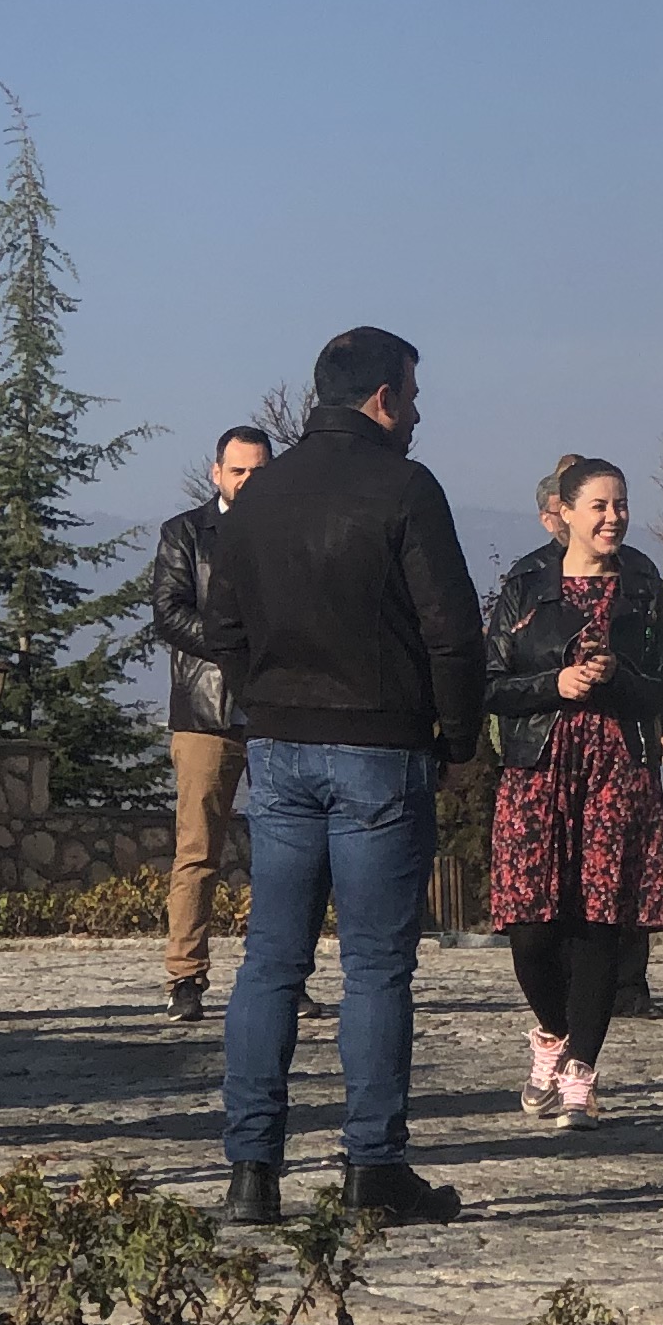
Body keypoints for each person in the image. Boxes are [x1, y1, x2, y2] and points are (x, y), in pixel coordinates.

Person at [205, 325, 483, 1232]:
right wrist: (456, 737)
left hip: (280, 745)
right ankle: (373, 1168)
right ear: (381, 399)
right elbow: (451, 629)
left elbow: (222, 626)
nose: (416, 411)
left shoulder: (258, 494)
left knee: (270, 963)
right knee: (374, 968)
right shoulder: (406, 487)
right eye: (410, 392)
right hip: (379, 746)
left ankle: (252, 1173)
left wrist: (266, 702)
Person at [482, 454, 663, 1127]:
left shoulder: (644, 588)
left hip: (616, 769)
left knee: (602, 919)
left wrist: (619, 679)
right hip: (538, 768)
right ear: (564, 512)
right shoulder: (524, 585)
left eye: (621, 504)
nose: (613, 517)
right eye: (599, 505)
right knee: (531, 927)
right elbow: (487, 683)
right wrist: (555, 685)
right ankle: (552, 1032)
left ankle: (581, 1075)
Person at [149, 426, 268, 1024]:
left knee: (286, 852)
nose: (248, 481)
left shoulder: (290, 531)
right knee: (198, 850)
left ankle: (280, 974)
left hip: (278, 710)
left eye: (258, 470)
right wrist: (233, 649)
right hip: (207, 712)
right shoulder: (185, 533)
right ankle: (185, 977)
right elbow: (169, 612)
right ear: (217, 473)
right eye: (238, 470)